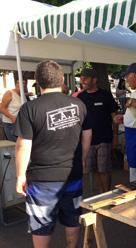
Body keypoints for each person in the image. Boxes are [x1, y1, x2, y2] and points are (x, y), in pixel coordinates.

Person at [15, 60, 92, 248]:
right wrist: (81, 159)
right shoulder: (78, 104)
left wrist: (19, 176)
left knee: (41, 225)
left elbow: (23, 145)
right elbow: (87, 134)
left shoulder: (29, 108)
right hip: (72, 174)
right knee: (72, 217)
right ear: (61, 80)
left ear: (38, 81)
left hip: (42, 180)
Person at [78, 68, 118, 192]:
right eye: (81, 78)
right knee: (95, 169)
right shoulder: (80, 97)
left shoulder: (105, 95)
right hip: (87, 141)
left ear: (94, 80)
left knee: (104, 170)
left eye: (86, 78)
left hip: (104, 139)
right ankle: (102, 193)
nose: (82, 80)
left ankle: (107, 194)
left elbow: (114, 117)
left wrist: (116, 137)